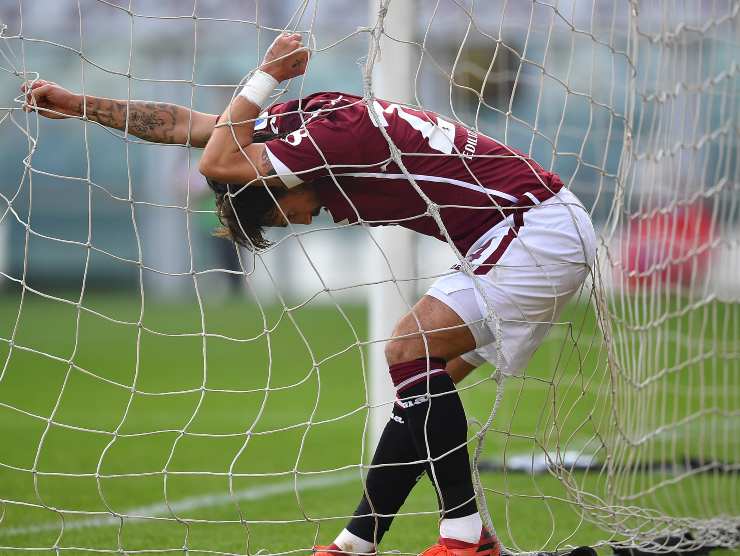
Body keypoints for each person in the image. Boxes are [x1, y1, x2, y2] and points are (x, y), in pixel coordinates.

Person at [24, 33, 596, 556]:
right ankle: (356, 543)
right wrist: (79, 106)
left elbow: (217, 160)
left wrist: (266, 72)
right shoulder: (304, 126)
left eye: (281, 217)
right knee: (417, 392)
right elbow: (186, 126)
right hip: (516, 231)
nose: (299, 221)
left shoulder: (327, 140)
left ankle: (464, 538)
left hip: (530, 230)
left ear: (276, 182)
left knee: (407, 350)